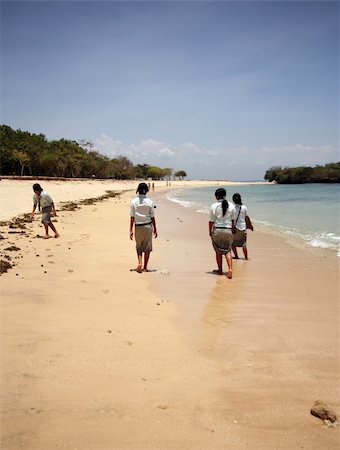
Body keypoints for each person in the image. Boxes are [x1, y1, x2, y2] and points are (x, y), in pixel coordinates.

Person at [130, 182, 158, 273]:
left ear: (138, 191)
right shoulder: (150, 202)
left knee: (139, 247)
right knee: (147, 248)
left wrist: (130, 230)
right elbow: (152, 217)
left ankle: (139, 262)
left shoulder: (133, 202)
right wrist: (155, 229)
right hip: (147, 226)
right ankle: (145, 267)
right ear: (146, 191)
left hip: (138, 226)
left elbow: (132, 217)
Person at [209, 188, 236, 279]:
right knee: (227, 250)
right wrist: (232, 230)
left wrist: (210, 231)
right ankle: (230, 269)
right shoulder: (231, 206)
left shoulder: (214, 206)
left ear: (216, 196)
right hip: (228, 230)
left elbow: (211, 221)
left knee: (218, 251)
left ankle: (220, 270)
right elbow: (233, 220)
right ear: (225, 196)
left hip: (217, 230)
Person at [231, 193, 251, 260]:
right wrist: (250, 226)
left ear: (233, 200)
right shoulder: (244, 207)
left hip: (235, 227)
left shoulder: (232, 208)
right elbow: (246, 217)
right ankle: (246, 257)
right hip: (243, 227)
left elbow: (232, 219)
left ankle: (236, 256)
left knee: (232, 243)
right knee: (244, 243)